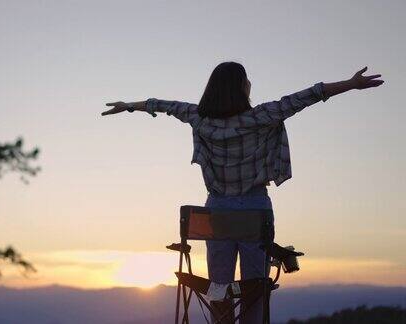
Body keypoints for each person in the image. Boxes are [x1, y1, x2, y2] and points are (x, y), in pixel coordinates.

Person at [101, 62, 383, 323]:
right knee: (254, 290)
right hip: (254, 210)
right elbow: (307, 96)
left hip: (217, 212)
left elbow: (162, 105)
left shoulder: (199, 117)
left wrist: (129, 106)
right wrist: (350, 83)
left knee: (218, 288)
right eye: (246, 80)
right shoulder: (261, 116)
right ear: (240, 87)